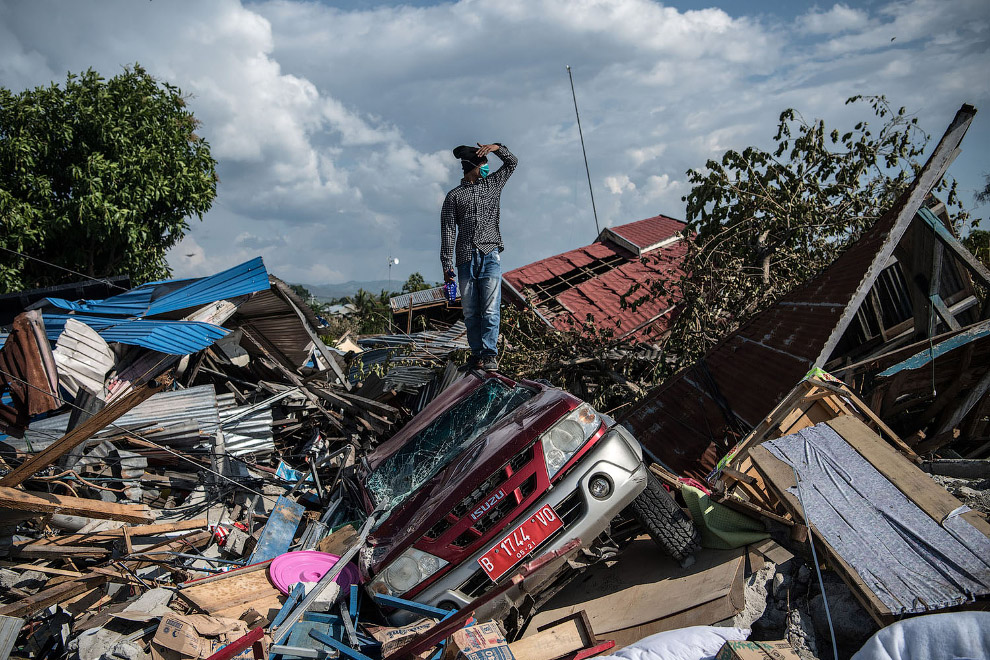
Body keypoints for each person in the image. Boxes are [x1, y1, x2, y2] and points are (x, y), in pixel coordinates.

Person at [440, 142, 517, 371]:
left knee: (491, 309)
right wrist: (447, 265)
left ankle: (490, 354)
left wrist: (496, 147)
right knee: (471, 312)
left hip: (490, 255)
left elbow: (512, 163)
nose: (487, 168)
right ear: (473, 166)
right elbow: (448, 231)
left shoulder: (492, 184)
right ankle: (477, 355)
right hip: (464, 259)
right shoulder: (454, 197)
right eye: (484, 164)